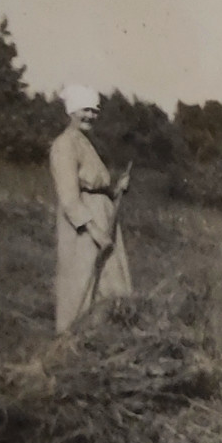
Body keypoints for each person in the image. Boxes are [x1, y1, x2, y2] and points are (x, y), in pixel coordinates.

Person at [49, 84, 132, 333]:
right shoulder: (64, 144)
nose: (90, 116)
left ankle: (107, 337)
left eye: (94, 111)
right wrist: (94, 231)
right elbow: (69, 197)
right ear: (71, 111)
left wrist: (116, 189)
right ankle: (73, 339)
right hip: (83, 227)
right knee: (83, 282)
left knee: (109, 278)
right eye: (85, 110)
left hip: (102, 217)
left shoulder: (84, 142)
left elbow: (95, 185)